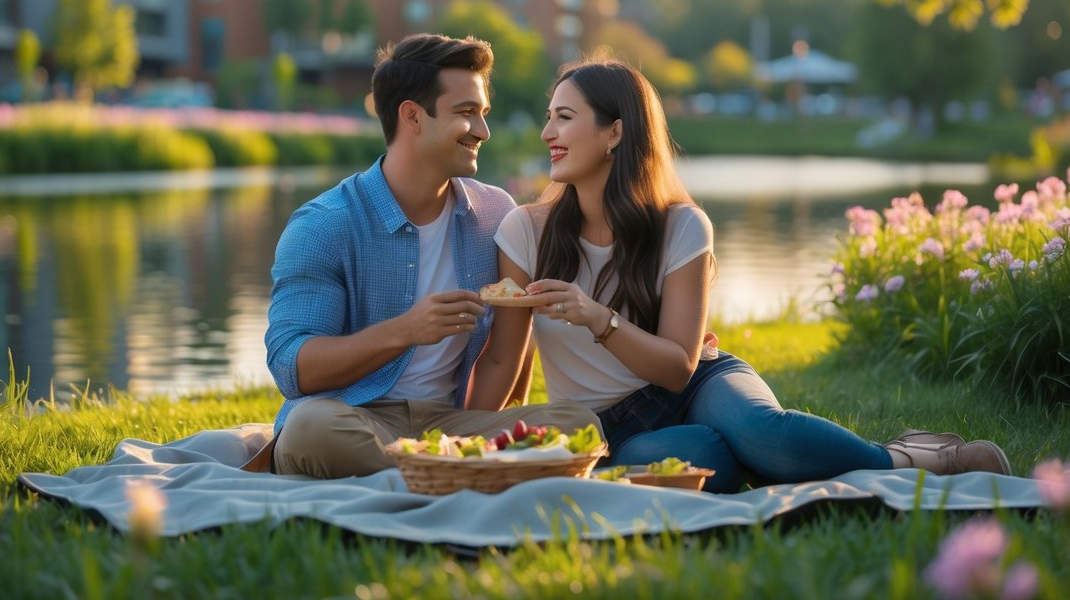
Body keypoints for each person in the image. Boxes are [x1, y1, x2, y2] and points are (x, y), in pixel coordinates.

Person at [468, 59, 1011, 493]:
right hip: (610, 427)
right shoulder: (526, 231)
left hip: (697, 382)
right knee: (711, 462)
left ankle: (912, 457)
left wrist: (595, 316)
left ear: (614, 133)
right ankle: (770, 458)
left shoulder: (681, 225)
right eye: (549, 116)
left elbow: (680, 368)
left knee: (762, 432)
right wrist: (462, 443)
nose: (546, 132)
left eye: (564, 117)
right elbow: (501, 357)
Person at [243, 34, 600, 477]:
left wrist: (475, 435)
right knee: (308, 429)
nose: (483, 132)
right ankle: (471, 476)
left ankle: (438, 472)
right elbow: (291, 368)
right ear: (412, 116)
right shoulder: (324, 225)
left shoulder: (494, 214)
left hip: (450, 427)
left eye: (483, 114)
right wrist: (405, 330)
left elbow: (509, 350)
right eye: (466, 113)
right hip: (357, 420)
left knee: (578, 424)